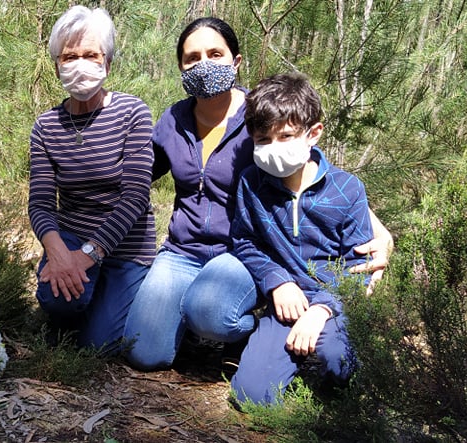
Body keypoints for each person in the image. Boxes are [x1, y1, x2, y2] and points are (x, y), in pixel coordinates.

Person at [123, 17, 393, 371]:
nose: (204, 65)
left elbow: (311, 173)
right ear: (181, 67)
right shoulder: (173, 120)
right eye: (192, 58)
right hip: (183, 250)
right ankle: (194, 327)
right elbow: (138, 175)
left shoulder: (262, 116)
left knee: (211, 312)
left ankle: (247, 333)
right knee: (144, 353)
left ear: (236, 61)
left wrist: (381, 233)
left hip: (239, 251)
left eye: (215, 54)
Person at [230, 72, 372, 405]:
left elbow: (359, 265)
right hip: (284, 303)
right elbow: (245, 241)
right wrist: (276, 281)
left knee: (340, 368)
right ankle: (272, 353)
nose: (273, 148)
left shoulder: (347, 189)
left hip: (333, 304)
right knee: (251, 396)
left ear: (313, 133)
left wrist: (323, 308)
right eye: (263, 139)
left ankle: (321, 360)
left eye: (286, 136)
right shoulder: (252, 183)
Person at [28, 5, 155, 351]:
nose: (79, 64)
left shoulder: (132, 113)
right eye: (69, 57)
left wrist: (86, 256)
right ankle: (71, 305)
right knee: (59, 301)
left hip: (126, 245)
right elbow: (40, 204)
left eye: (90, 55)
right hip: (71, 235)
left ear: (107, 63)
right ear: (57, 65)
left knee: (98, 343)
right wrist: (57, 252)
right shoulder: (46, 126)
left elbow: (135, 197)